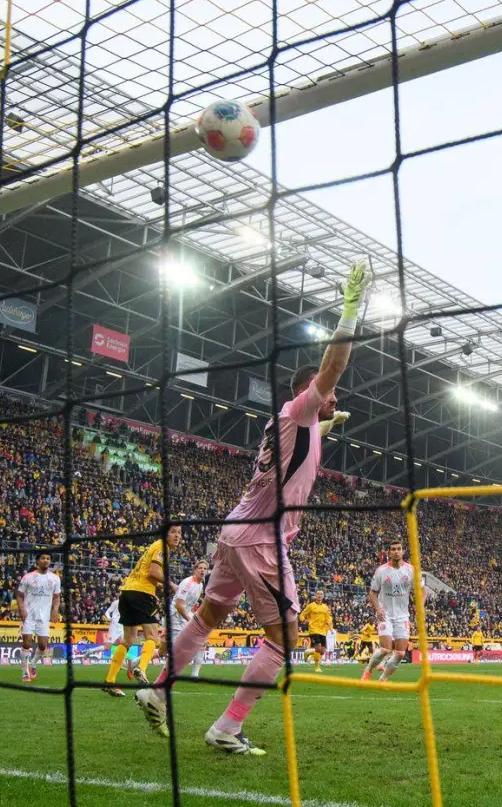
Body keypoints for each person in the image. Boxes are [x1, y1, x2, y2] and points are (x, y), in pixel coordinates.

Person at [136, 259, 368, 757]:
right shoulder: (301, 408)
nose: (334, 399)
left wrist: (329, 424)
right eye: (329, 397)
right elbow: (333, 368)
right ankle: (226, 727)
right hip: (263, 538)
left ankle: (156, 689)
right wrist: (350, 312)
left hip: (236, 531)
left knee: (208, 616)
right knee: (286, 638)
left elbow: (303, 446)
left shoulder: (292, 424)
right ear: (311, 393)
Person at [107, 525, 183, 696]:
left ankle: (109, 681)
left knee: (128, 640)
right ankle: (140, 669)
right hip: (141, 592)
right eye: (173, 532)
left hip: (127, 592)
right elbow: (153, 572)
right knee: (152, 637)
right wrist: (171, 585)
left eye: (179, 533)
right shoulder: (162, 547)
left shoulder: (154, 546)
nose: (177, 536)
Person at [363, 539, 426, 682]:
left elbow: (422, 591)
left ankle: (383, 678)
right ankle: (368, 670)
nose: (396, 551)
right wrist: (378, 608)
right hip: (385, 614)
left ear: (403, 551)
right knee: (385, 649)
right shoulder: (381, 571)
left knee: (400, 653)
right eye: (393, 549)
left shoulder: (411, 570)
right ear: (389, 552)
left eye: (399, 549)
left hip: (402, 616)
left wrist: (420, 606)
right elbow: (372, 592)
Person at [16, 553, 61, 683]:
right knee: (27, 643)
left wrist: (55, 610)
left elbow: (57, 597)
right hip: (29, 615)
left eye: (48, 558)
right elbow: (19, 595)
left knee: (43, 645)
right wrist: (22, 609)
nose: (46, 560)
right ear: (37, 561)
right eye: (43, 558)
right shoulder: (28, 577)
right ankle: (25, 671)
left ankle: (33, 664)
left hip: (44, 616)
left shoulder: (55, 579)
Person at [172, 561, 209, 678]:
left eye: (205, 568)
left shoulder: (200, 584)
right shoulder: (187, 583)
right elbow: (179, 606)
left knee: (201, 641)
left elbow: (189, 606)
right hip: (174, 617)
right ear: (195, 569)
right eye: (200, 568)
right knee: (172, 650)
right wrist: (190, 620)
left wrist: (194, 617)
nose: (203, 570)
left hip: (185, 615)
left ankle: (195, 675)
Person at [303, 590, 333, 673]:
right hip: (313, 629)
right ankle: (317, 667)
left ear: (323, 596)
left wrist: (329, 622)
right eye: (318, 594)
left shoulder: (325, 607)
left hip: (323, 630)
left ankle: (308, 653)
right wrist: (304, 620)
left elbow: (328, 617)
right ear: (315, 596)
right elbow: (302, 615)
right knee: (318, 648)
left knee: (322, 651)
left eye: (321, 594)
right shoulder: (310, 606)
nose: (320, 595)